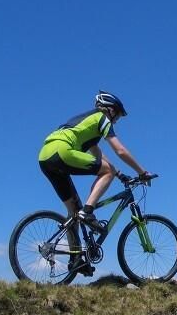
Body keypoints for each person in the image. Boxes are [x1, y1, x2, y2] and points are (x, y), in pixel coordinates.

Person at [38, 90, 153, 235]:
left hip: (45, 157)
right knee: (103, 178)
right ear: (110, 110)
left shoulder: (86, 122)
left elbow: (98, 156)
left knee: (74, 213)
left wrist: (119, 174)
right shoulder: (102, 118)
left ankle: (75, 257)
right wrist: (142, 172)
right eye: (117, 115)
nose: (117, 120)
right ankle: (88, 212)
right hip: (62, 151)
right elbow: (120, 151)